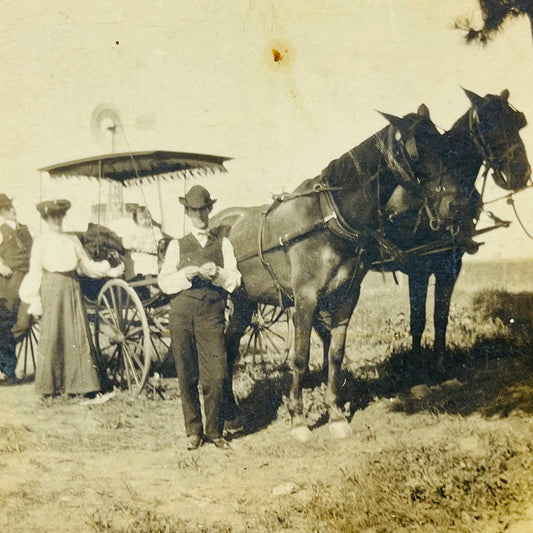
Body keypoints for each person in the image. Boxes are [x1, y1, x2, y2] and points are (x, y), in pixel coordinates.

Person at [158, 185, 241, 450]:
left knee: (216, 376)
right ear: (187, 212)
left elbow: (235, 280)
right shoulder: (177, 245)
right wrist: (188, 274)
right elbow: (164, 282)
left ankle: (215, 431)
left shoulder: (223, 243)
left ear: (210, 210)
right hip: (182, 313)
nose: (200, 216)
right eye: (194, 211)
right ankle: (193, 431)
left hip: (212, 315)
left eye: (204, 210)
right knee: (186, 374)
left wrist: (216, 272)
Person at [19, 199, 123, 397]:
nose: (57, 220)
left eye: (60, 216)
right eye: (53, 217)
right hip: (51, 287)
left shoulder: (72, 241)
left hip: (72, 286)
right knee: (52, 333)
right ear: (46, 218)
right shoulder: (41, 241)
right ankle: (49, 388)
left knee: (76, 333)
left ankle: (83, 386)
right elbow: (35, 272)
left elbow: (87, 266)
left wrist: (109, 270)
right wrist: (35, 300)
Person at [0, 194, 32, 384]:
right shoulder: (1, 231)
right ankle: (8, 368)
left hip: (28, 277)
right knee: (6, 323)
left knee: (23, 322)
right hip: (9, 283)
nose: (12, 210)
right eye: (7, 208)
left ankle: (6, 358)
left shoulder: (25, 230)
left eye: (12, 207)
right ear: (1, 213)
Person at [107, 205, 164, 277]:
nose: (145, 221)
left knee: (160, 265)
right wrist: (136, 245)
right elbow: (126, 243)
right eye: (141, 219)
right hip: (140, 256)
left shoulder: (155, 230)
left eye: (147, 218)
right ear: (136, 220)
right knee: (143, 262)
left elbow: (161, 242)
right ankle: (147, 278)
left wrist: (157, 246)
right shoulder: (135, 231)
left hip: (154, 255)